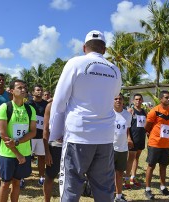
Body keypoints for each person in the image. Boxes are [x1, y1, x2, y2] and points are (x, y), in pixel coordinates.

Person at [49, 30, 122, 202]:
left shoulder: (75, 63)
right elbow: (114, 95)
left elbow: (59, 103)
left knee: (71, 187)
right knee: (104, 189)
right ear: (104, 49)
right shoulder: (115, 70)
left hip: (79, 136)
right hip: (105, 137)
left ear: (84, 47)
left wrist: (55, 131)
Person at [0, 79, 36, 202]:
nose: (23, 89)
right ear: (12, 91)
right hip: (8, 154)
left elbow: (33, 132)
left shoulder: (30, 109)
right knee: (5, 184)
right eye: (19, 87)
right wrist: (17, 154)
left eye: (24, 87)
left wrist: (18, 142)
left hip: (24, 153)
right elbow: (3, 134)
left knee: (17, 183)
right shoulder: (5, 107)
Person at [144, 90, 169, 200]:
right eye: (166, 97)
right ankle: (147, 189)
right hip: (154, 143)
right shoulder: (154, 111)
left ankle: (163, 187)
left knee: (163, 166)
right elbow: (147, 126)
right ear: (161, 99)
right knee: (151, 166)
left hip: (166, 145)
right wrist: (153, 135)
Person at [25, 84, 48, 187]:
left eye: (41, 90)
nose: (40, 92)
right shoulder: (28, 104)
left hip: (41, 136)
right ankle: (22, 178)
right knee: (27, 157)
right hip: (29, 135)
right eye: (38, 90)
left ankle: (42, 177)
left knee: (41, 157)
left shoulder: (46, 104)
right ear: (33, 92)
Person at [124, 94, 147, 188]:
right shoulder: (130, 111)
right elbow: (126, 126)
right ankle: (126, 179)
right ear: (133, 101)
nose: (138, 101)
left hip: (141, 138)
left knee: (137, 158)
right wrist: (128, 138)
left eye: (140, 99)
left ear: (142, 101)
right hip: (133, 138)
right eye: (136, 99)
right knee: (130, 158)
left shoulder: (144, 112)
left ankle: (133, 177)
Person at [43, 100, 63, 202]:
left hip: (71, 146)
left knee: (68, 178)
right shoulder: (51, 106)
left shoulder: (75, 103)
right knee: (50, 176)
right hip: (55, 146)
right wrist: (47, 152)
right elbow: (45, 129)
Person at [113, 94, 132, 202]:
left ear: (123, 101)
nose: (118, 100)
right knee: (109, 174)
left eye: (120, 99)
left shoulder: (127, 115)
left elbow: (127, 130)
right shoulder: (109, 113)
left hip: (123, 148)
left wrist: (129, 139)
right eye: (115, 99)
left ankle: (118, 197)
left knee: (120, 173)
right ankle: (109, 195)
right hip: (110, 148)